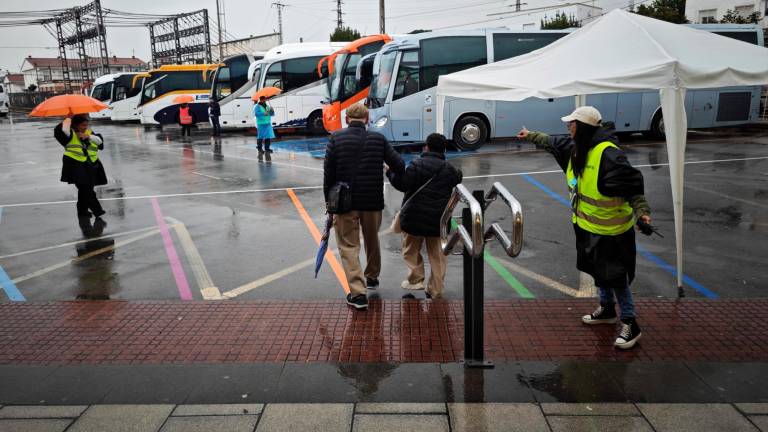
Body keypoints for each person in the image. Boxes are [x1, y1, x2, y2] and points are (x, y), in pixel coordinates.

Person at [517, 106, 651, 350]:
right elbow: (551, 142)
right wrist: (531, 135)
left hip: (613, 232)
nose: (569, 127)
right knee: (598, 271)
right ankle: (607, 309)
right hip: (588, 227)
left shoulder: (609, 155)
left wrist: (643, 214)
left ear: (585, 127)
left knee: (617, 277)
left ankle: (631, 323)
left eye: (573, 124)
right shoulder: (577, 149)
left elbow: (632, 188)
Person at [323, 103, 405, 310]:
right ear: (367, 119)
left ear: (347, 119)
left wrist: (329, 203)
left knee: (349, 245)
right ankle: (372, 277)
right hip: (372, 201)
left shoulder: (336, 138)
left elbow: (328, 174)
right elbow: (399, 164)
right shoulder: (378, 139)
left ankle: (358, 294)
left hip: (345, 202)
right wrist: (386, 171)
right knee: (371, 239)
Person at [387, 133, 462, 299]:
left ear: (426, 147)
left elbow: (402, 184)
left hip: (413, 218)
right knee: (438, 256)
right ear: (443, 149)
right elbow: (458, 177)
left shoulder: (416, 164)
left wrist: (389, 173)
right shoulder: (449, 170)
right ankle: (435, 289)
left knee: (410, 250)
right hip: (438, 221)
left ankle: (416, 278)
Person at [54, 114, 108, 220]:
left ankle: (82, 211)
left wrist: (89, 137)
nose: (85, 127)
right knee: (86, 189)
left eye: (86, 125)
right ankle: (97, 211)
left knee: (85, 189)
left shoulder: (88, 133)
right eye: (83, 125)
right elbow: (64, 129)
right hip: (73, 165)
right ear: (76, 125)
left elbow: (99, 141)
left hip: (88, 165)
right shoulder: (69, 133)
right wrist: (68, 118)